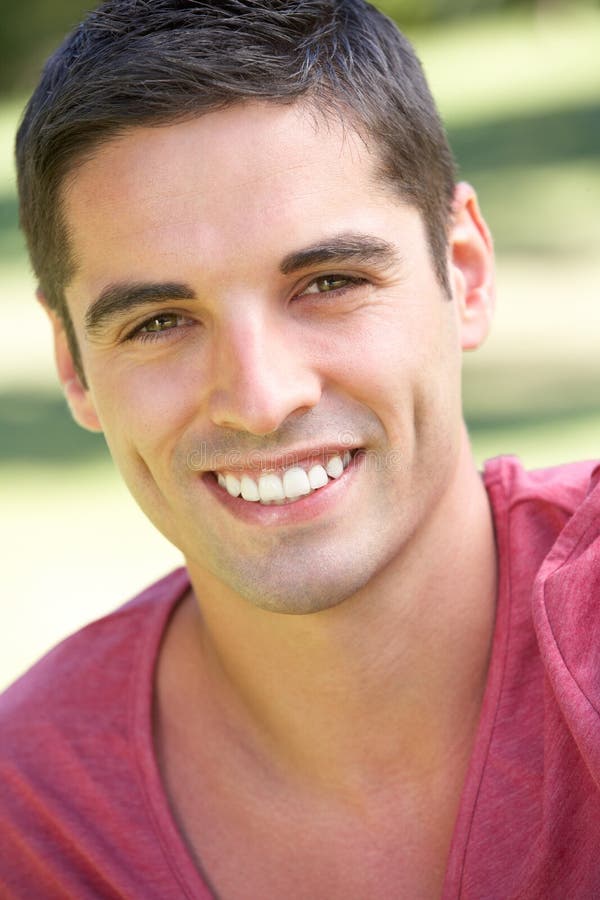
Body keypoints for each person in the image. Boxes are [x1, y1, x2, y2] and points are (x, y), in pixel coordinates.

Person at [1, 0, 599, 896]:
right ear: (75, 368)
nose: (260, 398)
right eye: (160, 320)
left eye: (329, 281)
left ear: (464, 271)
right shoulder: (32, 815)